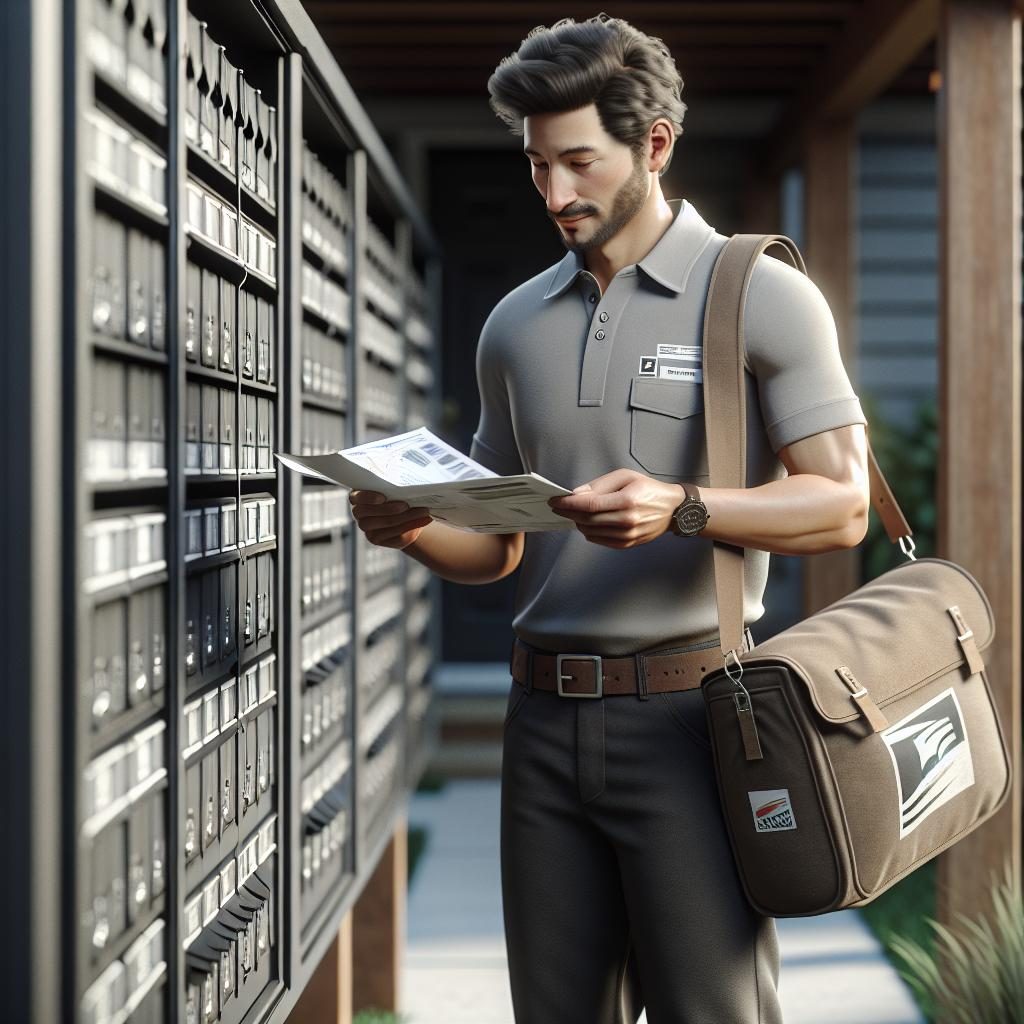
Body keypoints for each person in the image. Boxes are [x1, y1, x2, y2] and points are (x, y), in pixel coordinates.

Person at [349, 13, 871, 1023]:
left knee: (709, 1010)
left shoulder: (757, 293)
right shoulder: (511, 324)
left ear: (655, 144)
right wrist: (412, 526)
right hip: (539, 724)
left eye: (577, 162)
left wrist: (683, 506)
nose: (553, 194)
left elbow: (842, 504)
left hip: (694, 721)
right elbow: (498, 545)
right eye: (538, 165)